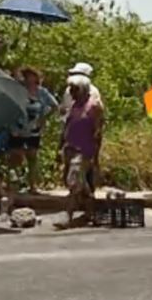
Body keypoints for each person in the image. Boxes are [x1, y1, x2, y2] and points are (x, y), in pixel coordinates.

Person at [58, 75, 104, 228]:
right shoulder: (73, 106)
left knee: (74, 182)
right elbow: (66, 127)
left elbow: (98, 132)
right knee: (81, 185)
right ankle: (92, 213)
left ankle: (68, 215)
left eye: (74, 89)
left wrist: (95, 156)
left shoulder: (94, 106)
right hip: (70, 148)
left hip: (84, 150)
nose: (71, 92)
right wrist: (60, 147)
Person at [7, 67, 58, 194]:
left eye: (32, 77)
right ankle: (14, 184)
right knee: (15, 157)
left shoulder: (42, 92)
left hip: (34, 129)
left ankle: (33, 185)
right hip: (17, 128)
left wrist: (44, 118)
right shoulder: (17, 90)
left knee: (32, 156)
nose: (30, 79)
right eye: (27, 76)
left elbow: (55, 105)